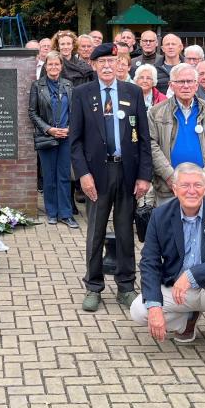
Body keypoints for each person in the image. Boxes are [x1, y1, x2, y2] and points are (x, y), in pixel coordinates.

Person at [130, 164, 205, 371]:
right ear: (174, 189)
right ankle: (187, 319)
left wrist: (192, 275)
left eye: (197, 185)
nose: (191, 191)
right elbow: (149, 262)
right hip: (178, 291)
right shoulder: (160, 215)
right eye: (185, 185)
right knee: (139, 310)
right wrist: (155, 306)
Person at [69, 43, 152, 312]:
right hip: (96, 174)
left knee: (126, 231)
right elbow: (75, 141)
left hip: (127, 172)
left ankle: (126, 286)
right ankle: (93, 287)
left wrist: (144, 176)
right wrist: (83, 175)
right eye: (102, 61)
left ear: (119, 64)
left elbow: (144, 138)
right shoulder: (82, 94)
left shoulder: (133, 92)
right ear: (93, 65)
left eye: (112, 61)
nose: (107, 66)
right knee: (95, 232)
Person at [146, 64, 205, 205]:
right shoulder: (156, 113)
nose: (186, 86)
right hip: (168, 188)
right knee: (169, 220)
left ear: (196, 85)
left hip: (203, 188)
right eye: (180, 81)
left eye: (190, 81)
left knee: (202, 220)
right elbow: (150, 145)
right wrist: (168, 175)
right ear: (171, 85)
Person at [29, 51, 76, 227]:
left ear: (61, 66)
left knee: (64, 176)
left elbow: (75, 111)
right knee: (49, 177)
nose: (54, 67)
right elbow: (32, 112)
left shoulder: (69, 85)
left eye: (57, 64)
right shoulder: (37, 86)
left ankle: (66, 214)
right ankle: (52, 212)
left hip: (65, 137)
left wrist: (70, 128)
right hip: (46, 137)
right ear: (46, 66)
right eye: (50, 64)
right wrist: (49, 129)